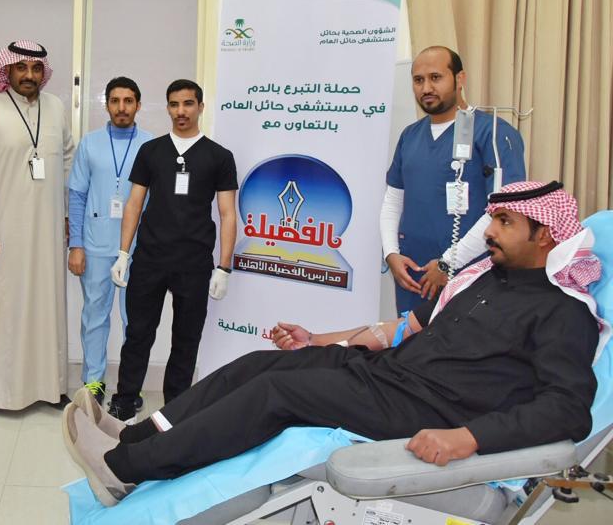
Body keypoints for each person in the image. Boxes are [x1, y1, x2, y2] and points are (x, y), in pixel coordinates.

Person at [64, 181, 602, 507]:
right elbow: (403, 330)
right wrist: (316, 341)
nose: (489, 231)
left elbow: (568, 410)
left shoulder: (564, 313)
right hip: (390, 375)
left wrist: (467, 438)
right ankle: (135, 436)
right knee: (260, 364)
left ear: (545, 235)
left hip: (429, 409)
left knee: (278, 394)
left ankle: (126, 469)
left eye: (505, 222)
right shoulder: (483, 279)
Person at [107, 79, 238, 421]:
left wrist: (223, 267)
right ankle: (125, 401)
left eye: (188, 104)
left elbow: (227, 214)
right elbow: (134, 204)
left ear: (200, 107)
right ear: (167, 108)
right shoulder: (151, 151)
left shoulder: (219, 157)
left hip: (194, 263)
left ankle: (176, 409)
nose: (181, 111)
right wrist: (123, 253)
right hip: (150, 259)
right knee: (138, 334)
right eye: (175, 104)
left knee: (186, 339)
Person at [0, 40, 75, 418]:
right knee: (2, 310)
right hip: (3, 233)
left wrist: (67, 215)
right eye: (21, 68)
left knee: (48, 307)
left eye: (36, 68)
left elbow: (68, 159)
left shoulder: (55, 107)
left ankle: (51, 387)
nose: (29, 75)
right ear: (7, 71)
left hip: (47, 231)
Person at [382, 46, 525, 312]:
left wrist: (448, 263)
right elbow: (393, 200)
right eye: (418, 80)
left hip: (470, 276)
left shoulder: (493, 133)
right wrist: (391, 253)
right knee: (408, 337)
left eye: (436, 77)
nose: (426, 88)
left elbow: (503, 212)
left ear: (460, 79)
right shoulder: (410, 136)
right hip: (413, 275)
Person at [68, 77, 154, 404]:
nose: (121, 107)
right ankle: (93, 383)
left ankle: (131, 385)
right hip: (95, 244)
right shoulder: (90, 144)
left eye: (128, 101)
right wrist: (76, 245)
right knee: (94, 317)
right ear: (107, 105)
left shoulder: (151, 145)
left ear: (138, 105)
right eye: (115, 101)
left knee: (137, 321)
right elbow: (77, 196)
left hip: (139, 249)